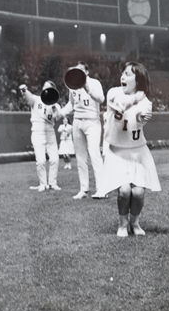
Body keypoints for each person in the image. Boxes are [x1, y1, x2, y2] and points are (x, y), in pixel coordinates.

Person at [98, 62, 161, 237]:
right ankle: (122, 224)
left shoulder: (146, 102)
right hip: (117, 151)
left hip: (137, 152)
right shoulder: (113, 92)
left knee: (138, 192)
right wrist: (136, 97)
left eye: (128, 74)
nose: (123, 77)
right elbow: (120, 104)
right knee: (124, 191)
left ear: (137, 80)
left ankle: (135, 222)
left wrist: (142, 118)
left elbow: (141, 118)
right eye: (123, 73)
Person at [61, 62, 105, 199]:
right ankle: (83, 189)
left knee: (94, 154)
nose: (77, 73)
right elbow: (71, 104)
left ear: (87, 71)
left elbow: (101, 99)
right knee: (80, 157)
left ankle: (102, 189)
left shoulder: (95, 83)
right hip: (77, 121)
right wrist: (61, 113)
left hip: (92, 121)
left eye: (80, 70)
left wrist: (88, 89)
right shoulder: (72, 86)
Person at [20, 81, 63, 192]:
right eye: (44, 87)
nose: (45, 90)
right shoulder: (36, 99)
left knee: (54, 158)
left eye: (48, 88)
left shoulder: (56, 105)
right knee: (41, 160)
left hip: (50, 131)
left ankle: (53, 183)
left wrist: (53, 108)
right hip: (37, 130)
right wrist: (25, 90)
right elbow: (29, 98)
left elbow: (57, 118)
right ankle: (43, 184)